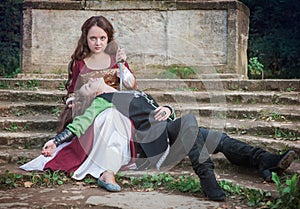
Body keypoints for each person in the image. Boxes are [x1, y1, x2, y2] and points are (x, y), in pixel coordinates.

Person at [42, 78, 296, 201]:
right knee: (190, 123)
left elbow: (157, 110)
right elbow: (81, 123)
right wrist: (58, 139)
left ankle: (265, 161)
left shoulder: (131, 92)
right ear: (93, 93)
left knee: (216, 138)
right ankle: (207, 177)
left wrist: (167, 109)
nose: (90, 81)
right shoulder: (101, 101)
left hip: (166, 133)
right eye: (86, 85)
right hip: (151, 146)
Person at [20, 15, 140, 192]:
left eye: (102, 38)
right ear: (86, 38)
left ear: (109, 38)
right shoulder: (80, 62)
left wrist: (122, 66)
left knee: (111, 115)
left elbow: (132, 86)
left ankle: (107, 170)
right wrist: (72, 102)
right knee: (103, 117)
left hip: (118, 109)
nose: (98, 43)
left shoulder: (117, 59)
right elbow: (73, 91)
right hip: (90, 111)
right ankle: (106, 171)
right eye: (93, 38)